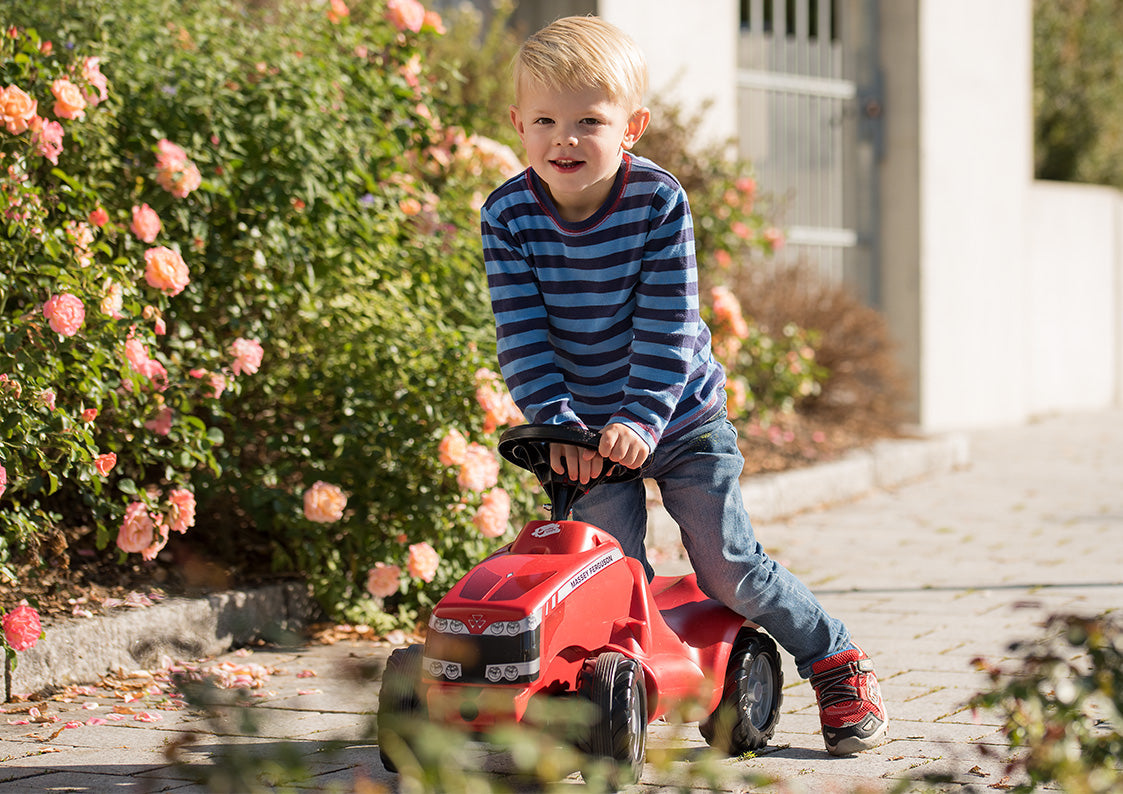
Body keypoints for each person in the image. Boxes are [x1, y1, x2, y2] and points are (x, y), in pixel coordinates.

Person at [480, 14, 887, 756]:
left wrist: (639, 419)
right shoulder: (507, 215)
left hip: (679, 418)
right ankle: (600, 701)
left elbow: (665, 328)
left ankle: (834, 659)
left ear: (630, 126)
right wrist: (564, 427)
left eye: (587, 122)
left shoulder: (656, 202)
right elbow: (523, 337)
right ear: (517, 124)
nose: (562, 139)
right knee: (604, 576)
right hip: (586, 437)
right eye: (543, 121)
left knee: (727, 568)